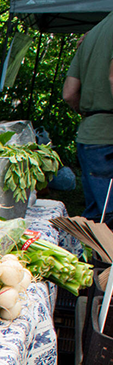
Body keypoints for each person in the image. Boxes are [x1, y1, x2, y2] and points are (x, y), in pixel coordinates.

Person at [63, 12, 113, 227]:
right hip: (109, 137)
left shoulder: (92, 34)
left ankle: (99, 261)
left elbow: (69, 93)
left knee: (98, 217)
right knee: (108, 219)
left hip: (90, 136)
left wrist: (91, 112)